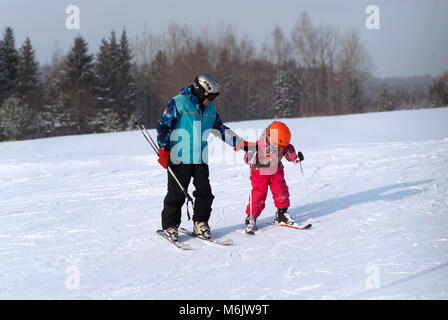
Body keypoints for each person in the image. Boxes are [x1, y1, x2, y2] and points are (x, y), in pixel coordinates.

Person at [156, 74, 249, 241]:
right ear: (200, 92)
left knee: (205, 192)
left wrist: (240, 143)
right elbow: (163, 126)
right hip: (179, 156)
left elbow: (220, 128)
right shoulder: (178, 103)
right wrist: (164, 150)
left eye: (215, 97)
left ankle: (200, 222)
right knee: (176, 193)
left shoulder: (210, 109)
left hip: (200, 157)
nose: (212, 100)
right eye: (210, 97)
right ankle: (170, 226)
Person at [243, 121, 304, 234]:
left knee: (281, 190)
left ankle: (282, 214)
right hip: (259, 172)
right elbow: (247, 157)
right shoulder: (259, 145)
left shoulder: (282, 144)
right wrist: (250, 157)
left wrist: (296, 156)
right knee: (258, 194)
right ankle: (251, 217)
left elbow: (289, 152)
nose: (281, 148)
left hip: (276, 169)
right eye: (279, 146)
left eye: (282, 147)